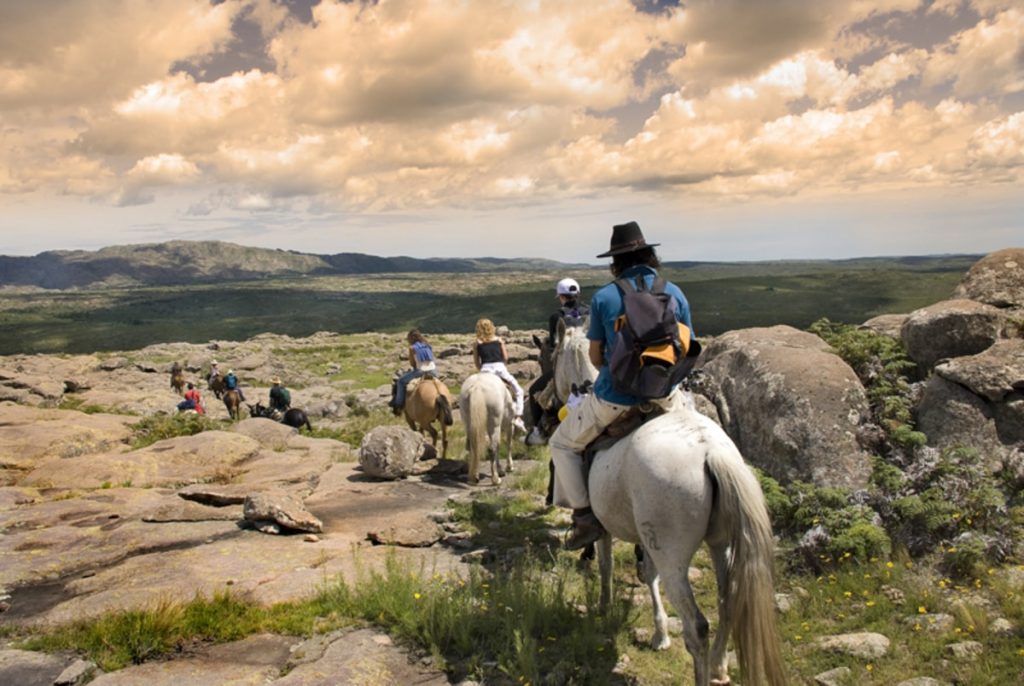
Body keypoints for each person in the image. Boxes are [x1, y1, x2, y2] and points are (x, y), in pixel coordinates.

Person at [550, 221, 694, 550]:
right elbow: (689, 345)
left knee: (561, 444)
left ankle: (585, 519)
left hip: (614, 399)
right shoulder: (674, 292)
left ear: (616, 261)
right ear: (649, 255)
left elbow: (597, 357)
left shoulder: (604, 298)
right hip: (665, 396)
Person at [525, 277, 590, 446]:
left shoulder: (557, 316)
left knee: (534, 390)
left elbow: (555, 347)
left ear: (561, 296)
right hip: (589, 363)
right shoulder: (588, 312)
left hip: (566, 364)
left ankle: (539, 430)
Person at [472, 318, 526, 432]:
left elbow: (477, 363)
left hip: (485, 370)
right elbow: (505, 358)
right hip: (500, 369)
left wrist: (482, 368)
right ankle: (519, 417)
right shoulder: (499, 340)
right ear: (491, 327)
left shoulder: (477, 343)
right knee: (519, 391)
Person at [389, 329, 437, 415]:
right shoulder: (427, 345)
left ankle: (398, 404)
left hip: (421, 371)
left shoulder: (412, 348)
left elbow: (413, 364)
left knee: (400, 381)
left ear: (411, 338)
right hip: (433, 371)